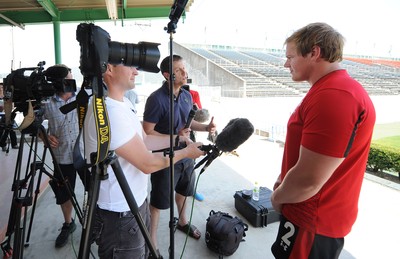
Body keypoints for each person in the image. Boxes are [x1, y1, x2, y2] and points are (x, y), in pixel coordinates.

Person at [270, 22, 376, 259]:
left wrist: (277, 198)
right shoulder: (330, 90)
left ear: (314, 53)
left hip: (312, 220)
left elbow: (308, 181)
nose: (287, 64)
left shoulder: (335, 95)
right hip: (308, 215)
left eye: (291, 57)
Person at [84, 63, 204, 259]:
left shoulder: (124, 104)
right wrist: (185, 153)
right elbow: (147, 163)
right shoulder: (109, 112)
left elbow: (145, 140)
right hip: (120, 213)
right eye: (129, 66)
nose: (136, 71)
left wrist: (177, 140)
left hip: (136, 201)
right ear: (109, 69)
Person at [143, 55, 217, 249]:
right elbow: (147, 132)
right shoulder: (155, 100)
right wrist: (175, 135)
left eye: (185, 68)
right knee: (159, 201)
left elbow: (189, 123)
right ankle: (152, 241)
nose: (185, 73)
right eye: (180, 70)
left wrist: (205, 127)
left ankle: (182, 222)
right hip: (166, 157)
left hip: (187, 153)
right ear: (168, 75)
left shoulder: (186, 95)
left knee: (183, 191)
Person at [40, 64, 91, 248]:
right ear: (57, 83)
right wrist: (43, 136)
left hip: (85, 155)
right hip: (61, 157)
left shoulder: (85, 97)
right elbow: (35, 124)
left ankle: (95, 223)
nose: (71, 80)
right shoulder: (47, 102)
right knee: (64, 194)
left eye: (71, 75)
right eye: (67, 77)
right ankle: (69, 224)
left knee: (94, 190)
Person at [0, 82, 19, 152]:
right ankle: (5, 144)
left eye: (2, 87)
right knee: (5, 127)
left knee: (9, 127)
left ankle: (4, 144)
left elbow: (12, 107)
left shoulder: (8, 96)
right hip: (1, 116)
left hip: (7, 115)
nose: (1, 89)